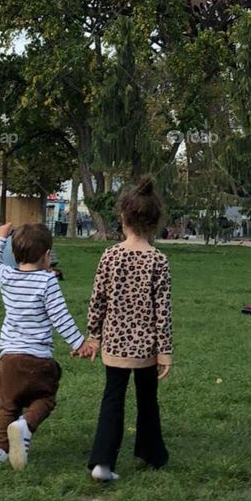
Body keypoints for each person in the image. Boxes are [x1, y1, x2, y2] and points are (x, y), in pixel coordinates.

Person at [86, 178, 172, 482]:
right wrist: (165, 351)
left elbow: (98, 300)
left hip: (114, 342)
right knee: (148, 399)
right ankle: (153, 454)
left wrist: (93, 336)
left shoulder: (109, 256)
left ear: (122, 217)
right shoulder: (158, 260)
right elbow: (163, 311)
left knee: (113, 398)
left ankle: (102, 462)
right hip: (146, 347)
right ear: (154, 222)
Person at [0, 221, 88, 470]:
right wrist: (79, 343)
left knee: (7, 405)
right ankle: (26, 426)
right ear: (46, 256)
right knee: (45, 398)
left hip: (9, 357)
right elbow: (60, 317)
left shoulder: (6, 276)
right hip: (39, 358)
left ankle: (0, 452)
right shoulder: (47, 282)